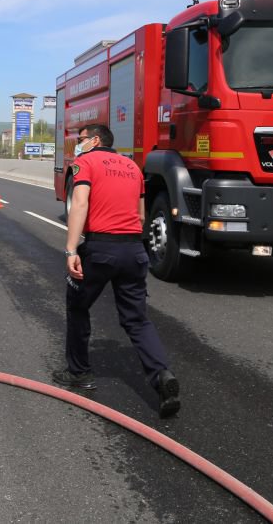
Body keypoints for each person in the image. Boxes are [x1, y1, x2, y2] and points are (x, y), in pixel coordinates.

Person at [52, 124, 180, 419]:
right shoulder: (133, 167)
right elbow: (141, 215)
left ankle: (79, 373)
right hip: (134, 250)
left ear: (95, 140)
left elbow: (80, 203)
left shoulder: (85, 162)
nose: (78, 144)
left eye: (81, 139)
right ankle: (161, 375)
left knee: (78, 306)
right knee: (137, 319)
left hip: (101, 249)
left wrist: (71, 249)